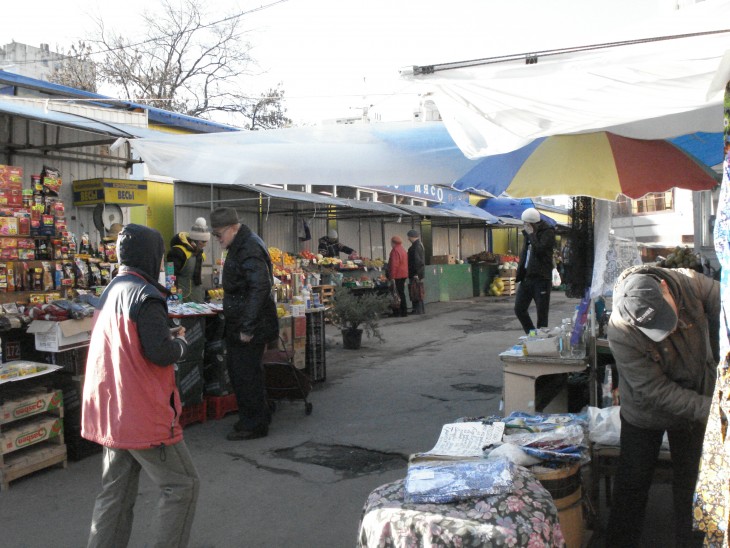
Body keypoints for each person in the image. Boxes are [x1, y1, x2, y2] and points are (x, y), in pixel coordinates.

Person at [81, 224, 199, 548]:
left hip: (111, 411)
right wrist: (181, 345)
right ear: (151, 256)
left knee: (114, 494)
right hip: (142, 414)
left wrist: (163, 336)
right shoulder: (146, 296)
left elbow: (130, 344)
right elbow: (159, 352)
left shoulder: (110, 291)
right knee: (182, 486)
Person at [606, 265, 719, 548]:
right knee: (632, 483)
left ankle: (691, 542)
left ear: (665, 289)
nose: (666, 333)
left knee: (692, 484)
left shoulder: (691, 284)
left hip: (695, 396)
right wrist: (713, 409)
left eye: (667, 320)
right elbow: (654, 390)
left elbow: (726, 302)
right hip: (646, 411)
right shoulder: (621, 330)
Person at [210, 207, 279, 441]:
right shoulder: (243, 244)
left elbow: (259, 287)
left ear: (232, 228)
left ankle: (254, 423)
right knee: (246, 372)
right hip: (245, 320)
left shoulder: (247, 247)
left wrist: (247, 327)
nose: (218, 240)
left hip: (249, 324)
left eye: (219, 234)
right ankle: (255, 416)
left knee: (245, 374)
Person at [514, 207, 556, 333]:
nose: (524, 226)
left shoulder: (548, 232)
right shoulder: (528, 234)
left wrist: (532, 234)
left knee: (542, 315)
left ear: (533, 223)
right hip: (526, 278)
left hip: (541, 278)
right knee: (519, 309)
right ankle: (532, 334)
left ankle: (540, 341)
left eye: (526, 223)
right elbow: (526, 254)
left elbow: (541, 250)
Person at [167, 217, 211, 302]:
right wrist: (174, 295)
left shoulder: (200, 254)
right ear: (195, 240)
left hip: (198, 300)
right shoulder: (177, 252)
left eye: (206, 241)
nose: (205, 245)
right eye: (203, 242)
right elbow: (170, 275)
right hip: (182, 301)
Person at [387, 235, 408, 317]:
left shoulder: (395, 251)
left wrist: (392, 277)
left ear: (393, 243)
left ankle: (398, 311)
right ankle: (404, 311)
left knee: (396, 294)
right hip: (403, 274)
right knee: (401, 293)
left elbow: (394, 265)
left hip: (397, 275)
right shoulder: (402, 249)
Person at [407, 229, 425, 315]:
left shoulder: (416, 246)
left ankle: (417, 310)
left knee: (415, 291)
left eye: (409, 236)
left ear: (412, 237)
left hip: (415, 273)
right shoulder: (419, 245)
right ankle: (420, 309)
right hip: (418, 273)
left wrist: (417, 274)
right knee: (418, 291)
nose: (408, 238)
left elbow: (418, 261)